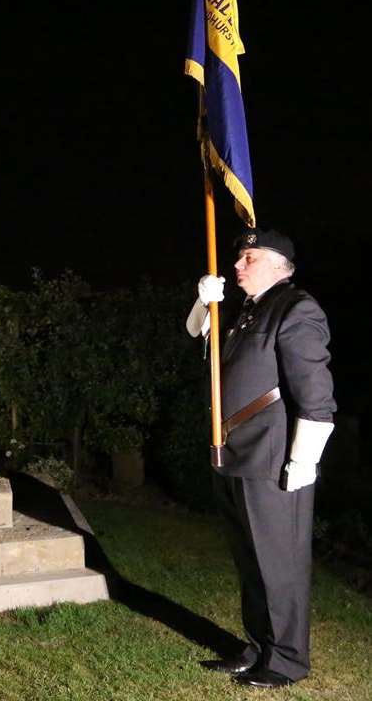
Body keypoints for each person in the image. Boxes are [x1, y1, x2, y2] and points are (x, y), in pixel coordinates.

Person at [187, 229, 336, 689]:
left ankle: (288, 660)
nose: (238, 264)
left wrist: (303, 461)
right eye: (239, 257)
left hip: (272, 460)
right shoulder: (249, 312)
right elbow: (201, 335)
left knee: (280, 563)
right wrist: (202, 302)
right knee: (251, 561)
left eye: (249, 257)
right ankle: (257, 647)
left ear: (279, 265)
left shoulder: (296, 309)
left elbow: (316, 395)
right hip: (235, 454)